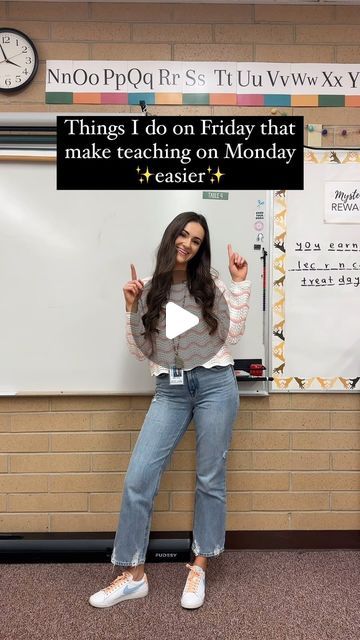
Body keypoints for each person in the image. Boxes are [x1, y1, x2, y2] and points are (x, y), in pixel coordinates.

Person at [89, 211, 251, 610]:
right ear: (171, 237)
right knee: (139, 477)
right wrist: (130, 309)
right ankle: (133, 575)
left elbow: (234, 332)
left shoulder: (207, 281)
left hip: (216, 383)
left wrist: (240, 283)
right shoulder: (147, 287)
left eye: (196, 241)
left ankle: (198, 565)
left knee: (210, 478)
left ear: (200, 249)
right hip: (170, 389)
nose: (188, 244)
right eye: (183, 235)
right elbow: (137, 348)